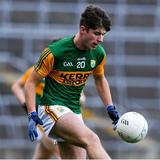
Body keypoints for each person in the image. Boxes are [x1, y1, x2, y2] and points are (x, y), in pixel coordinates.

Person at [24, 4, 120, 159]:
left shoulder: (98, 54)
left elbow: (100, 79)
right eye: (96, 33)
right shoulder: (54, 52)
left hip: (73, 112)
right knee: (92, 139)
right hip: (52, 108)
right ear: (83, 29)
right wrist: (31, 114)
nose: (100, 39)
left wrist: (110, 107)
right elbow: (30, 82)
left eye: (103, 35)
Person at [11, 66, 61, 159]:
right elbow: (16, 86)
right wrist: (28, 107)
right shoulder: (36, 70)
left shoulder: (64, 71)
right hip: (44, 120)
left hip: (58, 118)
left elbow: (81, 96)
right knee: (62, 153)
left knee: (42, 156)